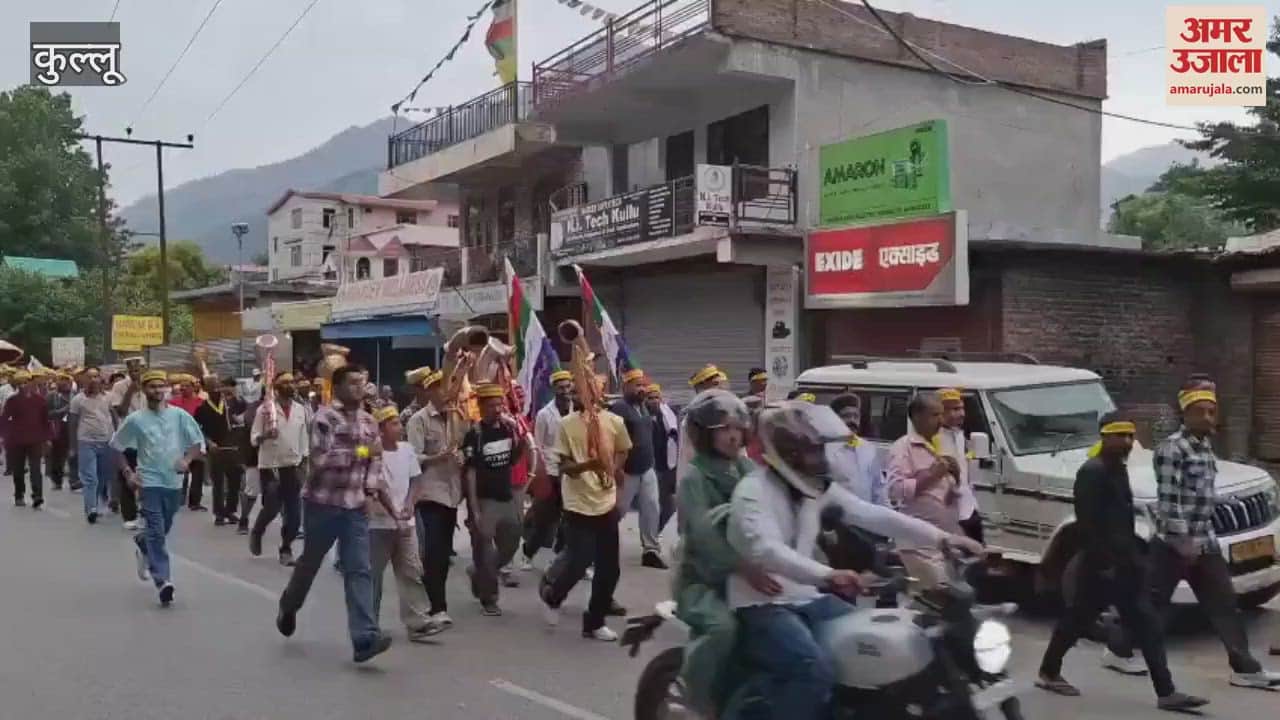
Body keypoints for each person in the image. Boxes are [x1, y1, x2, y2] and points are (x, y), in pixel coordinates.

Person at [724, 401, 980, 720]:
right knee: (812, 669)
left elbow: (873, 515)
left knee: (876, 651)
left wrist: (942, 538)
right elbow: (767, 550)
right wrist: (828, 575)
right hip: (762, 604)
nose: (821, 459)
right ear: (789, 454)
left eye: (821, 450)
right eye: (813, 452)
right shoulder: (752, 492)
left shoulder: (816, 490)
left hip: (807, 597)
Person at [1109, 380, 1280, 689]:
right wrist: (1183, 541)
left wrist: (1204, 535)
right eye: (1199, 412)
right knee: (1152, 604)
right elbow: (1169, 499)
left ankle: (1245, 669)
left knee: (1224, 604)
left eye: (1211, 412)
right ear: (1184, 415)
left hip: (1205, 540)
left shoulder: (1204, 447)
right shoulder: (1172, 449)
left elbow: (1202, 495)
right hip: (1174, 544)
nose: (1207, 418)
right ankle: (1118, 650)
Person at [1036, 413, 1207, 711]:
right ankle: (1049, 672)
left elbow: (1122, 521)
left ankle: (1166, 693)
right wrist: (1105, 566)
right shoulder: (1093, 472)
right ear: (1105, 437)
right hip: (1101, 568)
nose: (1127, 442)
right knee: (1078, 620)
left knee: (1147, 625)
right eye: (1120, 436)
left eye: (1130, 436)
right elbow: (1087, 524)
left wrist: (1134, 560)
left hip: (1124, 567)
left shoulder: (1117, 468)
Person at [277, 364, 393, 664]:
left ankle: (364, 638)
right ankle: (289, 604)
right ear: (338, 387)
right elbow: (321, 460)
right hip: (322, 504)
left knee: (359, 569)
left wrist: (370, 490)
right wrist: (361, 451)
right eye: (353, 382)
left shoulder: (369, 421)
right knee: (310, 563)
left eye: (362, 382)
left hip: (355, 506)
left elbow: (376, 459)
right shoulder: (324, 418)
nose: (360, 387)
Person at [673, 390, 761, 715]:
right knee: (723, 629)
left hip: (749, 575)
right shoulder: (694, 477)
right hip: (703, 581)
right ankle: (694, 701)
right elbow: (703, 534)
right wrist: (740, 565)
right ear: (704, 433)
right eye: (723, 429)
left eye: (737, 428)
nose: (733, 435)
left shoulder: (747, 468)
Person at [540, 387, 632, 641]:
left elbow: (623, 449)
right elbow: (565, 467)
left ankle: (594, 622)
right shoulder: (566, 424)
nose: (578, 396)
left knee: (609, 568)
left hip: (606, 502)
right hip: (578, 503)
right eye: (575, 392)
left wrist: (613, 468)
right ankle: (553, 595)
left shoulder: (614, 421)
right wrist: (589, 466)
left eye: (584, 391)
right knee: (579, 562)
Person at [112, 370, 205, 607]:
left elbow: (197, 443)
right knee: (156, 529)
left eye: (160, 386)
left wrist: (187, 460)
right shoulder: (136, 420)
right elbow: (117, 446)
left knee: (164, 526)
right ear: (144, 390)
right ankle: (163, 581)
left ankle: (143, 543)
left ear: (166, 389)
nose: (157, 390)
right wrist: (129, 473)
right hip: (149, 481)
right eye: (152, 387)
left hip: (173, 481)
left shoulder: (179, 416)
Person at [369, 405, 441, 642]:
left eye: (398, 423)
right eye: (394, 424)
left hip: (405, 522)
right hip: (377, 525)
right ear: (381, 430)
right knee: (372, 576)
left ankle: (417, 621)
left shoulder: (407, 450)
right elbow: (373, 483)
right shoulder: (369, 452)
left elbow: (416, 480)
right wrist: (366, 449)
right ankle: (368, 624)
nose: (399, 428)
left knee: (411, 571)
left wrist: (410, 503)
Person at [406, 368, 463, 629]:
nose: (446, 392)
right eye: (440, 387)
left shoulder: (457, 417)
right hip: (429, 493)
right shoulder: (418, 420)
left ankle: (434, 601)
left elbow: (464, 447)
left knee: (443, 552)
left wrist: (463, 456)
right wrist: (439, 457)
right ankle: (437, 606)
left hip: (452, 493)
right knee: (435, 551)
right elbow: (413, 458)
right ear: (430, 391)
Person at [462, 383, 526, 616]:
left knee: (512, 541)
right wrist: (475, 509)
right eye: (491, 406)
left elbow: (512, 460)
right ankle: (489, 598)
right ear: (480, 407)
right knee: (485, 550)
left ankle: (480, 573)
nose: (497, 410)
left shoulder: (508, 429)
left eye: (500, 405)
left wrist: (522, 442)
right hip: (484, 499)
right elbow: (470, 473)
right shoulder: (474, 435)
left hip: (506, 496)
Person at [887, 392, 962, 588]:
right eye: (935, 415)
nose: (941, 420)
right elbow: (895, 490)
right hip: (918, 543)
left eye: (941, 414)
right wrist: (931, 475)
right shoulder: (903, 448)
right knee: (938, 593)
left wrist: (955, 479)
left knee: (948, 594)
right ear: (917, 417)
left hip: (944, 539)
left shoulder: (942, 444)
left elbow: (946, 492)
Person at [251, 372, 309, 566]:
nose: (291, 385)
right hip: (271, 466)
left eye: (292, 382)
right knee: (272, 507)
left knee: (294, 514)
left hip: (293, 465)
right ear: (276, 387)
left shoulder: (300, 409)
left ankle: (286, 548)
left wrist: (304, 461)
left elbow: (304, 438)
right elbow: (254, 438)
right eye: (285, 382)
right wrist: (266, 435)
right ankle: (258, 531)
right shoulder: (265, 410)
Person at [519, 369, 575, 569]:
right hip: (550, 473)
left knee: (572, 519)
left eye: (567, 387)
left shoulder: (577, 410)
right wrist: (538, 477)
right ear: (554, 390)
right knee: (545, 520)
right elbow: (538, 446)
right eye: (560, 388)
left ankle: (565, 558)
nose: (565, 391)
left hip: (572, 472)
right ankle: (528, 552)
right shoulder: (544, 414)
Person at [611, 368, 665, 568]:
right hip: (627, 470)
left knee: (652, 508)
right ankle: (599, 546)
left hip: (647, 467)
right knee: (617, 511)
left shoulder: (644, 406)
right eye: (637, 386)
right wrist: (616, 469)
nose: (642, 389)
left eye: (643, 385)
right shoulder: (619, 408)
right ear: (625, 387)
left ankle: (651, 550)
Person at [193, 377, 245, 526]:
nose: (217, 389)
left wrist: (235, 394)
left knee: (235, 480)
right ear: (206, 389)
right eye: (213, 386)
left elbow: (244, 413)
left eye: (218, 385)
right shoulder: (202, 408)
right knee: (218, 482)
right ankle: (219, 513)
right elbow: (197, 430)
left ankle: (231, 510)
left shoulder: (231, 404)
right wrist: (208, 442)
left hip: (232, 448)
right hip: (215, 449)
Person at [69, 369, 116, 523]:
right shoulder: (78, 399)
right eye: (90, 377)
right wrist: (73, 446)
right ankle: (91, 508)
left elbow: (114, 417)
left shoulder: (108, 397)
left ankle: (94, 502)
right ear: (84, 380)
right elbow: (72, 422)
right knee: (90, 477)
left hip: (107, 441)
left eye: (96, 376)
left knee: (103, 476)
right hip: (86, 442)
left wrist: (117, 437)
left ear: (100, 379)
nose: (93, 380)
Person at [937, 388, 982, 543]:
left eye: (962, 408)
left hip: (968, 505)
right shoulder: (934, 438)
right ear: (941, 412)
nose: (962, 414)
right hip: (948, 509)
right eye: (955, 409)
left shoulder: (959, 434)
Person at [825, 393, 886, 506]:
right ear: (834, 419)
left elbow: (878, 489)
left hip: (867, 514)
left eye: (856, 416)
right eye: (846, 416)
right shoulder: (825, 450)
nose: (852, 420)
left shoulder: (868, 448)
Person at [2, 370, 51, 508]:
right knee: (18, 469)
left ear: (31, 383)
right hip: (16, 440)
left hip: (35, 439)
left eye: (26, 382)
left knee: (35, 469)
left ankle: (37, 495)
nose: (24, 385)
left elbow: (45, 420)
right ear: (17, 385)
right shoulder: (12, 400)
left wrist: (47, 438)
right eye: (21, 383)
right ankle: (19, 495)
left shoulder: (40, 400)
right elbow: (4, 419)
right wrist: (4, 436)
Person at [109, 357, 147, 530]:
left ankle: (146, 512)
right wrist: (130, 390)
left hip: (147, 436)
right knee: (127, 475)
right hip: (128, 434)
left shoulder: (150, 384)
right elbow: (121, 411)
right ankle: (129, 515)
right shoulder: (119, 387)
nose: (134, 373)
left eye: (138, 370)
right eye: (131, 371)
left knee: (148, 475)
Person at [677, 364, 729, 485]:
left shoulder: (727, 412)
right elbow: (687, 457)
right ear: (701, 388)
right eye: (715, 384)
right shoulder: (692, 418)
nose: (721, 388)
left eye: (720, 384)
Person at [169, 373, 209, 512]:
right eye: (182, 387)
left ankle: (195, 501)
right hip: (179, 440)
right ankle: (179, 498)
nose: (183, 389)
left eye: (186, 386)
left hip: (196, 439)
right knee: (181, 470)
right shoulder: (173, 403)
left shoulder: (201, 402)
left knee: (198, 471)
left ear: (193, 387)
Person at [647, 383, 680, 536]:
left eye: (656, 397)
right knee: (653, 504)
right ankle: (651, 535)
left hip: (667, 465)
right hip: (650, 467)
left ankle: (654, 532)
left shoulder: (667, 416)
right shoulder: (642, 416)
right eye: (650, 398)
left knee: (670, 506)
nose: (654, 401)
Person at [47, 372, 75, 491]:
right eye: (61, 380)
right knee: (57, 457)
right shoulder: (52, 396)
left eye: (67, 380)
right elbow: (47, 414)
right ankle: (57, 480)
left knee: (75, 455)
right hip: (58, 429)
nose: (64, 383)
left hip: (75, 428)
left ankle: (74, 480)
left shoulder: (76, 395)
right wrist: (63, 410)